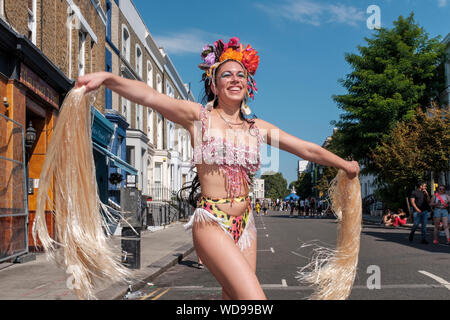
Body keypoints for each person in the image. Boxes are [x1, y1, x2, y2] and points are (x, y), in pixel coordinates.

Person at [76, 36, 359, 300]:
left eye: (241, 75)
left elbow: (305, 149)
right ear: (213, 85)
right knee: (254, 299)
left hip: (245, 223)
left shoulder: (257, 128)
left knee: (233, 298)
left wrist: (343, 164)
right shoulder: (198, 118)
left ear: (249, 85)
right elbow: (150, 96)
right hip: (211, 221)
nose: (235, 79)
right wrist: (108, 78)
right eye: (226, 74)